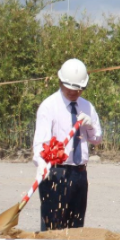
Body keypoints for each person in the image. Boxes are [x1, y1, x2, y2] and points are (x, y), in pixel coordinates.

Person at [32, 59, 102, 231]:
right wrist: (40, 163)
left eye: (78, 89)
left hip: (79, 173)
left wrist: (90, 125)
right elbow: (40, 144)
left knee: (76, 228)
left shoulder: (87, 106)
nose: (73, 92)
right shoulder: (49, 106)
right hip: (55, 173)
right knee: (53, 228)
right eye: (70, 88)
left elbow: (97, 138)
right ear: (60, 82)